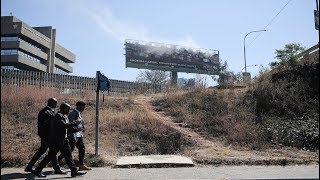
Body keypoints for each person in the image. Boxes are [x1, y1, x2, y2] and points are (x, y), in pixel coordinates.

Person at [32, 103, 87, 178]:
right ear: (63, 109)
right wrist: (76, 123)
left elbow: (67, 128)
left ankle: (74, 171)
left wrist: (77, 129)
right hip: (57, 141)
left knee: (69, 156)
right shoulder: (58, 116)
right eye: (68, 109)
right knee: (49, 157)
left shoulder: (64, 116)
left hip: (64, 140)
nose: (69, 111)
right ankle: (37, 170)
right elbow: (63, 126)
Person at [24, 98, 65, 174]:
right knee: (51, 152)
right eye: (55, 103)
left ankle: (29, 167)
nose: (56, 105)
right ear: (51, 103)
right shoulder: (45, 112)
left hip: (49, 136)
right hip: (47, 136)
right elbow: (44, 126)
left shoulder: (49, 111)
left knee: (44, 151)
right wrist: (46, 136)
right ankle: (56, 169)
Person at [58, 101, 92, 171]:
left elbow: (79, 123)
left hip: (79, 135)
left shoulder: (79, 113)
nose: (84, 108)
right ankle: (56, 162)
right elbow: (69, 125)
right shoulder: (72, 114)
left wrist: (82, 129)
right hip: (73, 136)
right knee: (68, 151)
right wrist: (77, 129)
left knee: (82, 149)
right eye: (83, 107)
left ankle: (81, 165)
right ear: (78, 106)